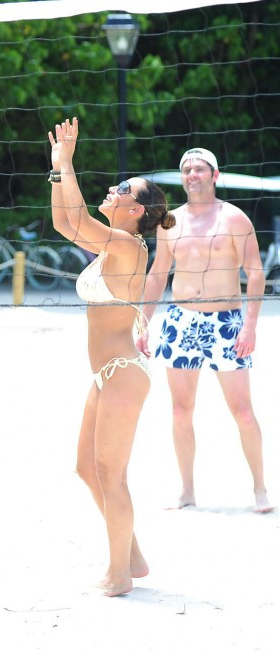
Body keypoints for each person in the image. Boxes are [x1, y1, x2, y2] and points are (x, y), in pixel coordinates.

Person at [48, 117, 175, 597]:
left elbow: (80, 220)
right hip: (106, 374)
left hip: (123, 373)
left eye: (122, 188)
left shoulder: (128, 246)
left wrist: (67, 162)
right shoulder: (111, 247)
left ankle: (119, 574)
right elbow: (64, 223)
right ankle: (133, 557)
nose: (113, 188)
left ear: (136, 209)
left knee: (111, 475)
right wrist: (57, 169)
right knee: (87, 468)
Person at [136, 147, 273, 513]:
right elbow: (157, 274)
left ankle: (260, 489)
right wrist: (143, 322)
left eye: (199, 169)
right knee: (181, 410)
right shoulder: (170, 222)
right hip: (181, 322)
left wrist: (250, 326)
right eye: (187, 169)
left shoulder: (235, 218)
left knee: (243, 411)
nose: (192, 175)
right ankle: (186, 491)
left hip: (226, 323)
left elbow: (255, 274)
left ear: (214, 175)